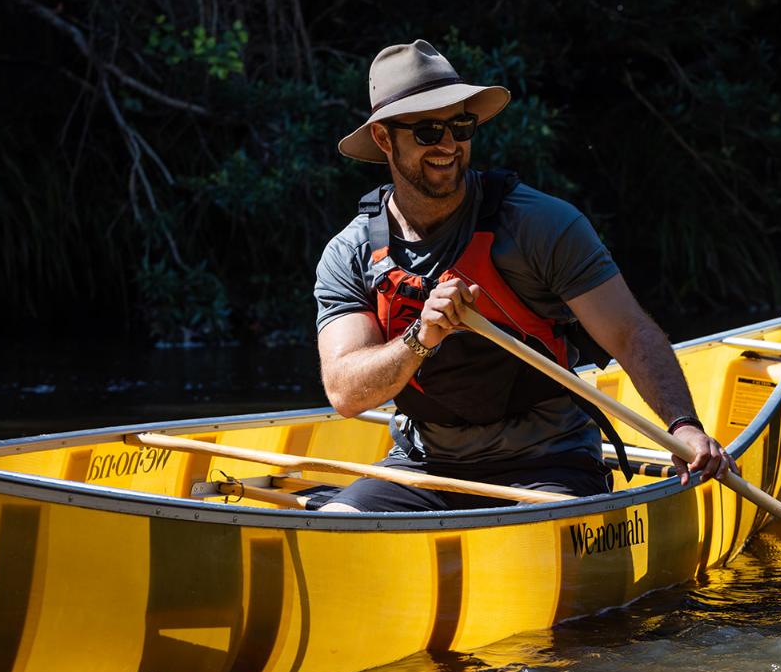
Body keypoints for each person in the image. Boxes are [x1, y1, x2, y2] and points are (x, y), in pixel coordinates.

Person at [314, 39, 735, 512]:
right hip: (423, 465)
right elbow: (346, 393)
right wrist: (420, 337)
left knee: (530, 536)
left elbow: (629, 333)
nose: (449, 145)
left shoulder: (539, 225)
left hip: (548, 463)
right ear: (385, 140)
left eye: (461, 125)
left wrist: (684, 427)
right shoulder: (350, 253)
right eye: (429, 130)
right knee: (336, 518)